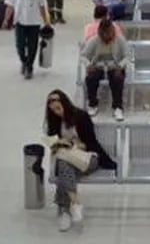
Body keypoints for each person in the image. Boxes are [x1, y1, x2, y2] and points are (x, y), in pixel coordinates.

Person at [43, 90, 118, 231]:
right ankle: (75, 204)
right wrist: (57, 144)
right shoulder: (54, 123)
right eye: (53, 111)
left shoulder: (81, 116)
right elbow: (54, 145)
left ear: (65, 104)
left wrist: (72, 145)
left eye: (58, 108)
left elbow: (91, 143)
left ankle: (64, 211)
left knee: (63, 162)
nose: (57, 113)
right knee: (65, 164)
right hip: (68, 159)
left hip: (89, 158)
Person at [6, 0, 50, 80]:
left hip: (34, 23)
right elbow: (10, 5)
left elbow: (42, 6)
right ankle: (24, 61)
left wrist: (46, 22)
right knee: (20, 45)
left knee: (32, 46)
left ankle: (29, 66)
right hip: (20, 22)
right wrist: (6, 19)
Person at [81, 18, 128, 121]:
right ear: (100, 32)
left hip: (115, 66)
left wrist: (120, 66)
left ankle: (117, 107)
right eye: (104, 34)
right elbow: (84, 56)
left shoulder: (120, 39)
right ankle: (92, 104)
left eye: (109, 33)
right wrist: (89, 65)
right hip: (98, 66)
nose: (107, 37)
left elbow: (127, 56)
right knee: (90, 78)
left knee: (118, 79)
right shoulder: (94, 40)